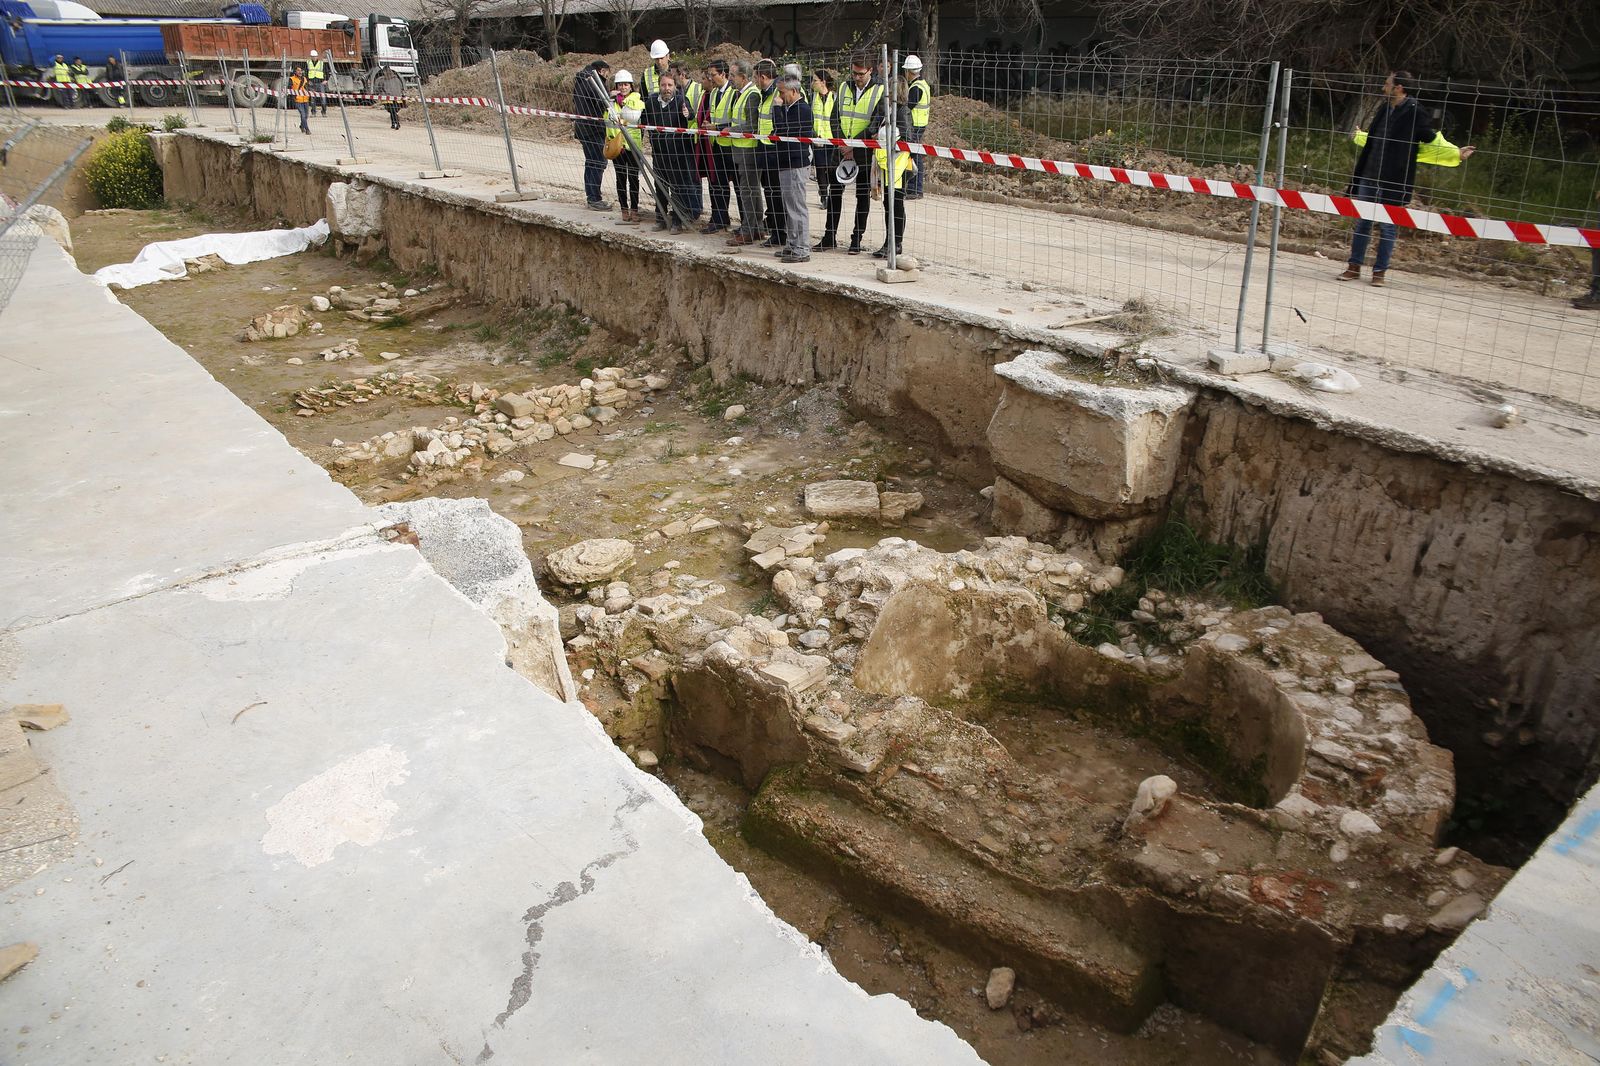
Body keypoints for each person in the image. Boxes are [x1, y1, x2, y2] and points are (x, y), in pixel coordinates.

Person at [1338, 71, 1474, 287]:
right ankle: (1354, 267)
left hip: (1393, 180)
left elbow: (1431, 140)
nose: (1384, 87)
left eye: (1387, 84)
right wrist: (1361, 136)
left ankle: (1379, 272)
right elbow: (1375, 139)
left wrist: (1455, 153)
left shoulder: (1415, 112)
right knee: (1363, 222)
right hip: (1369, 176)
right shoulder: (1384, 109)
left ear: (1399, 87)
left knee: (1387, 226)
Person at [837, 55, 886, 255]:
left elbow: (875, 123)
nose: (856, 77)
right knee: (834, 193)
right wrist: (841, 142)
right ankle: (829, 236)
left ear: (870, 71)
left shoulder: (880, 90)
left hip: (863, 151)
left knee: (862, 196)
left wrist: (853, 145)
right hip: (841, 149)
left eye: (860, 74)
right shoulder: (843, 87)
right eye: (854, 73)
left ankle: (856, 239)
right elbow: (834, 117)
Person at [645, 71, 695, 233]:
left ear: (675, 86)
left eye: (670, 85)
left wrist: (688, 114)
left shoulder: (681, 100)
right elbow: (644, 119)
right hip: (659, 153)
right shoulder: (652, 101)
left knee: (678, 188)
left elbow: (691, 114)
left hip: (677, 154)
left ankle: (677, 221)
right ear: (659, 86)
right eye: (663, 85)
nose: (666, 88)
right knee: (660, 187)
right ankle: (660, 218)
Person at [722, 60, 765, 247]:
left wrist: (730, 130)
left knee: (748, 192)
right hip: (742, 149)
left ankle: (748, 230)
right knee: (751, 190)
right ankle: (756, 228)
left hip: (749, 150)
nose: (730, 78)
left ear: (744, 77)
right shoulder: (742, 94)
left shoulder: (751, 95)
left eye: (733, 75)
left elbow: (752, 125)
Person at [771, 74, 813, 263]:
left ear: (794, 91)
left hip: (795, 163)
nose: (779, 97)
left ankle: (802, 248)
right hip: (785, 161)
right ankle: (792, 243)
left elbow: (783, 130)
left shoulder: (802, 109)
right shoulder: (788, 108)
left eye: (782, 92)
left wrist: (777, 109)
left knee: (797, 206)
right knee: (789, 206)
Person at [872, 103, 913, 258]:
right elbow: (873, 127)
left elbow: (908, 138)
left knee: (895, 204)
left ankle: (895, 243)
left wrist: (890, 140)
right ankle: (890, 242)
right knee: (888, 205)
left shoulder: (902, 111)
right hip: (886, 164)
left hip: (898, 166)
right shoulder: (884, 110)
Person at [809, 69, 842, 250]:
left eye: (814, 80)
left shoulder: (834, 97)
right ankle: (824, 195)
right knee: (820, 168)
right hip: (817, 139)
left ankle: (827, 194)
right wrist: (814, 135)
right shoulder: (812, 97)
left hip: (832, 140)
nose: (812, 83)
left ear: (823, 81)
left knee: (830, 170)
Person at [752, 59, 784, 247]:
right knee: (770, 192)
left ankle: (780, 233)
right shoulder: (766, 93)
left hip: (775, 149)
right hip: (765, 147)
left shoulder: (778, 93)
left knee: (776, 193)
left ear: (763, 77)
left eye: (756, 77)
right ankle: (774, 227)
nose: (755, 81)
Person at [701, 59, 735, 234]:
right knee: (718, 183)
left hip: (732, 145)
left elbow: (737, 121)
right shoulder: (714, 93)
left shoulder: (733, 93)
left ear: (723, 74)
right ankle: (720, 217)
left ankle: (747, 224)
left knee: (737, 186)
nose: (710, 78)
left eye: (713, 74)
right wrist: (709, 125)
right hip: (717, 144)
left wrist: (717, 127)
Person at [574, 59, 613, 210]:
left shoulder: (581, 80)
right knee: (598, 162)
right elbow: (602, 101)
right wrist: (610, 97)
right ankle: (594, 198)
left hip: (582, 128)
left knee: (591, 162)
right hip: (593, 128)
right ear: (601, 70)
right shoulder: (593, 80)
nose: (606, 76)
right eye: (606, 73)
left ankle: (592, 196)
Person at [609, 70, 646, 225]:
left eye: (625, 84)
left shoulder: (636, 99)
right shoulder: (611, 102)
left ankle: (634, 210)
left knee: (633, 179)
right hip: (617, 145)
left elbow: (638, 117)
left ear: (631, 86)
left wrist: (622, 104)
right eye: (620, 85)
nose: (623, 87)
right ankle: (624, 209)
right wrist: (610, 99)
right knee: (620, 178)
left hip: (632, 145)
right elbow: (608, 119)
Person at [670, 62, 704, 221]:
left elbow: (699, 112)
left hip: (694, 137)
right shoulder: (678, 91)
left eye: (673, 74)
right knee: (683, 175)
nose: (671, 77)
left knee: (693, 176)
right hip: (683, 138)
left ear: (681, 74)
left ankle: (695, 209)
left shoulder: (697, 89)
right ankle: (686, 207)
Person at [901, 54, 931, 199]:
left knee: (914, 156)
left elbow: (908, 107)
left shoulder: (916, 88)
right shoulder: (923, 84)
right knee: (914, 154)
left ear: (908, 71)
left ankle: (915, 189)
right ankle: (914, 188)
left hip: (915, 126)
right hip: (920, 124)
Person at [289, 64, 310, 134]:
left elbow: (307, 88)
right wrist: (293, 97)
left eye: (301, 70)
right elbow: (289, 90)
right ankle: (307, 129)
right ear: (295, 71)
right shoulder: (291, 79)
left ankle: (302, 126)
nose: (300, 72)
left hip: (305, 99)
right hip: (297, 100)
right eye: (298, 70)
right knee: (303, 114)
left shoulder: (305, 79)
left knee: (306, 115)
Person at [306, 49, 328, 116]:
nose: (314, 57)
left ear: (317, 56)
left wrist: (326, 80)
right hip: (312, 83)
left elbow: (327, 72)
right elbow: (306, 73)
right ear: (311, 56)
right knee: (313, 99)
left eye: (315, 56)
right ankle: (313, 112)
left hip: (320, 83)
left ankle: (324, 112)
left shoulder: (321, 63)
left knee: (323, 99)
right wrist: (308, 81)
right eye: (313, 56)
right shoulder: (308, 63)